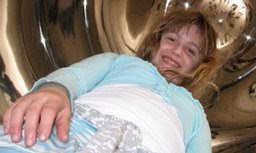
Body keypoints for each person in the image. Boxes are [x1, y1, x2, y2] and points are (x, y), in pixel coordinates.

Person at [0, 10, 218, 153]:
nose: (177, 51)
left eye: (191, 51)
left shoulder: (196, 112)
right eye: (171, 39)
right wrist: (54, 91)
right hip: (76, 127)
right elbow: (75, 77)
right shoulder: (120, 62)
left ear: (200, 65)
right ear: (157, 40)